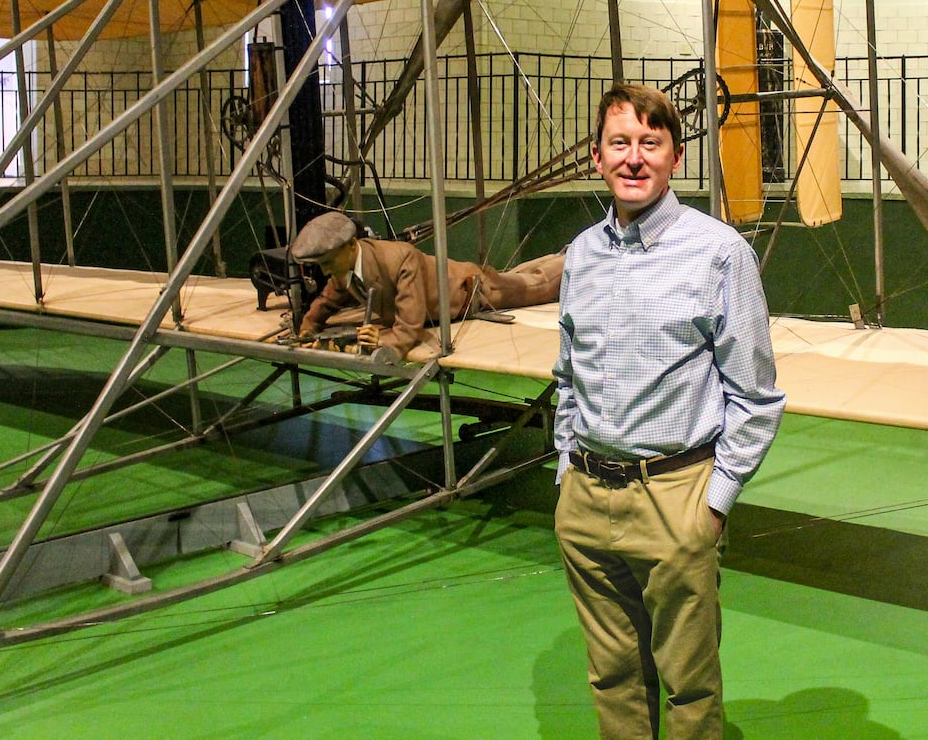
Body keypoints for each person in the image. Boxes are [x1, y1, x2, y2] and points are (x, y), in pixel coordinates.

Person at [552, 83, 784, 739]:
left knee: (689, 685)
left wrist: (712, 504)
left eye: (649, 143)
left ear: (676, 156)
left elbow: (757, 398)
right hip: (587, 496)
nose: (633, 158)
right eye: (619, 143)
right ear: (597, 156)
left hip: (677, 495)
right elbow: (566, 371)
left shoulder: (718, 253)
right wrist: (565, 472)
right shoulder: (582, 255)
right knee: (613, 675)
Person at [288, 211, 564, 361]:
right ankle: (560, 256)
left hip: (473, 291)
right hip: (459, 283)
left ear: (350, 246)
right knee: (524, 273)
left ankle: (571, 257)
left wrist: (381, 341)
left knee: (538, 283)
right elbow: (326, 302)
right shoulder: (345, 267)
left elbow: (409, 327)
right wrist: (308, 329)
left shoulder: (399, 258)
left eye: (326, 262)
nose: (324, 271)